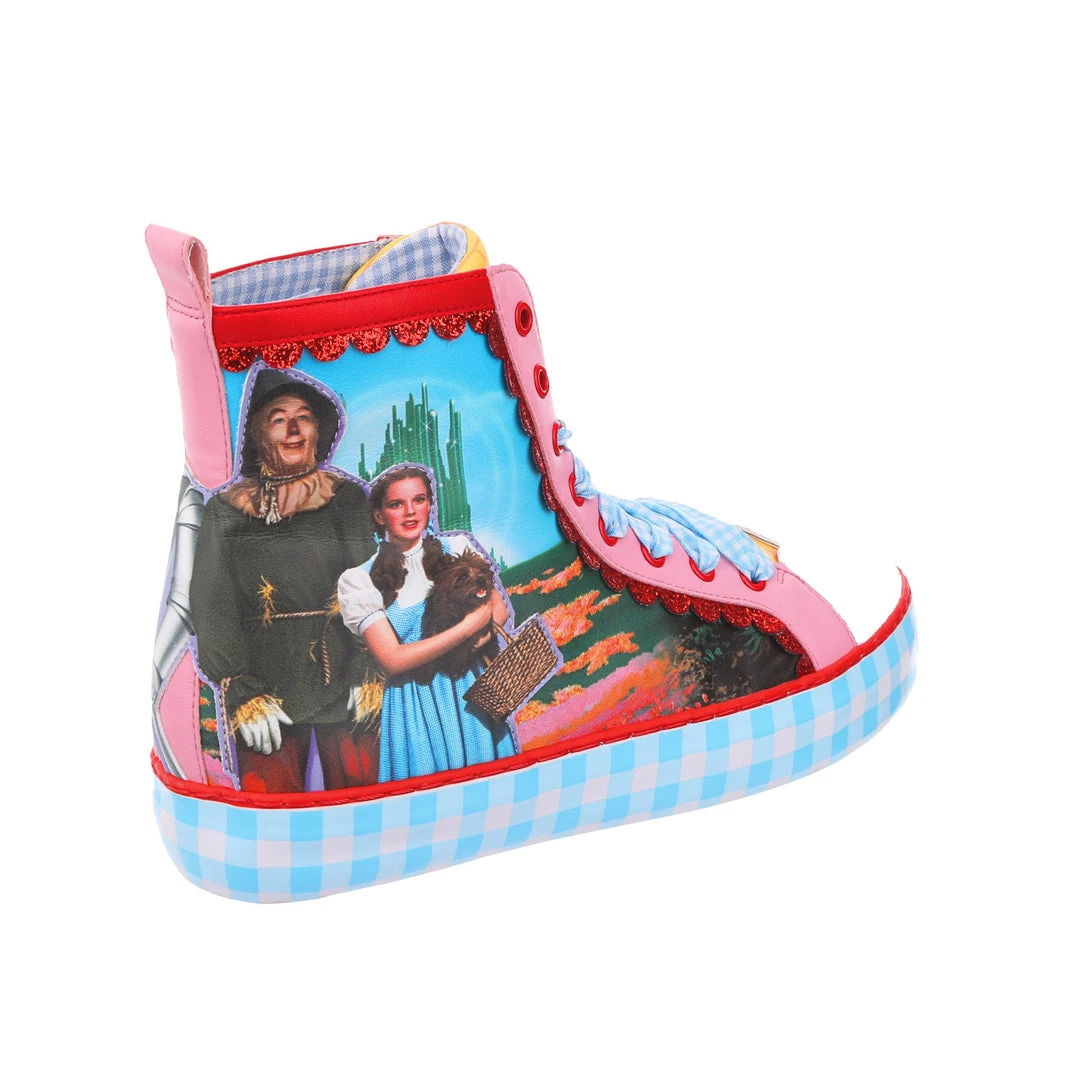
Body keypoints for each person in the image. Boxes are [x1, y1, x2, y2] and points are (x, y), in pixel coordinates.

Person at [190, 367, 380, 793]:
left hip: (345, 675)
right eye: (279, 420)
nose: (293, 430)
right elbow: (212, 603)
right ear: (259, 434)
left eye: (303, 417)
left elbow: (371, 582)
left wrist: (370, 666)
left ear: (317, 431)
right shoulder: (226, 511)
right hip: (264, 689)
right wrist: (240, 688)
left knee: (365, 792)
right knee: (268, 798)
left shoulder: (345, 498)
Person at [337, 465, 517, 782]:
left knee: (490, 788)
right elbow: (393, 660)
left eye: (419, 500)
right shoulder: (359, 580)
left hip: (472, 693)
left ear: (430, 504)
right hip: (414, 706)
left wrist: (471, 642)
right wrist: (468, 628)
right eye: (396, 504)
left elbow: (499, 609)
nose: (410, 512)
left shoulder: (457, 547)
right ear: (379, 515)